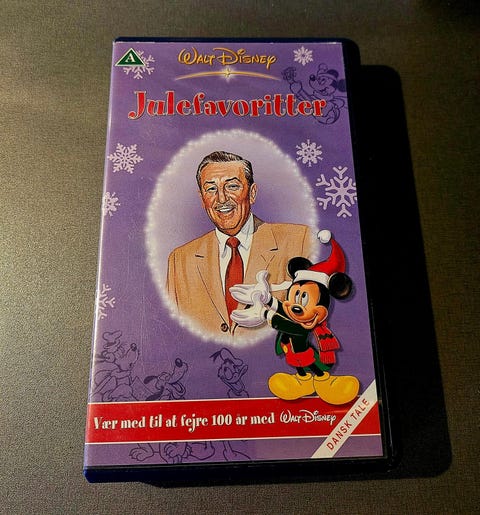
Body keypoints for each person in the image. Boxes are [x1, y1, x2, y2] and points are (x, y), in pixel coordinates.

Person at [166, 150, 313, 338]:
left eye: (232, 186)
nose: (221, 199)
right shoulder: (180, 260)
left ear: (252, 193)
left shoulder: (301, 241)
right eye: (211, 189)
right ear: (202, 198)